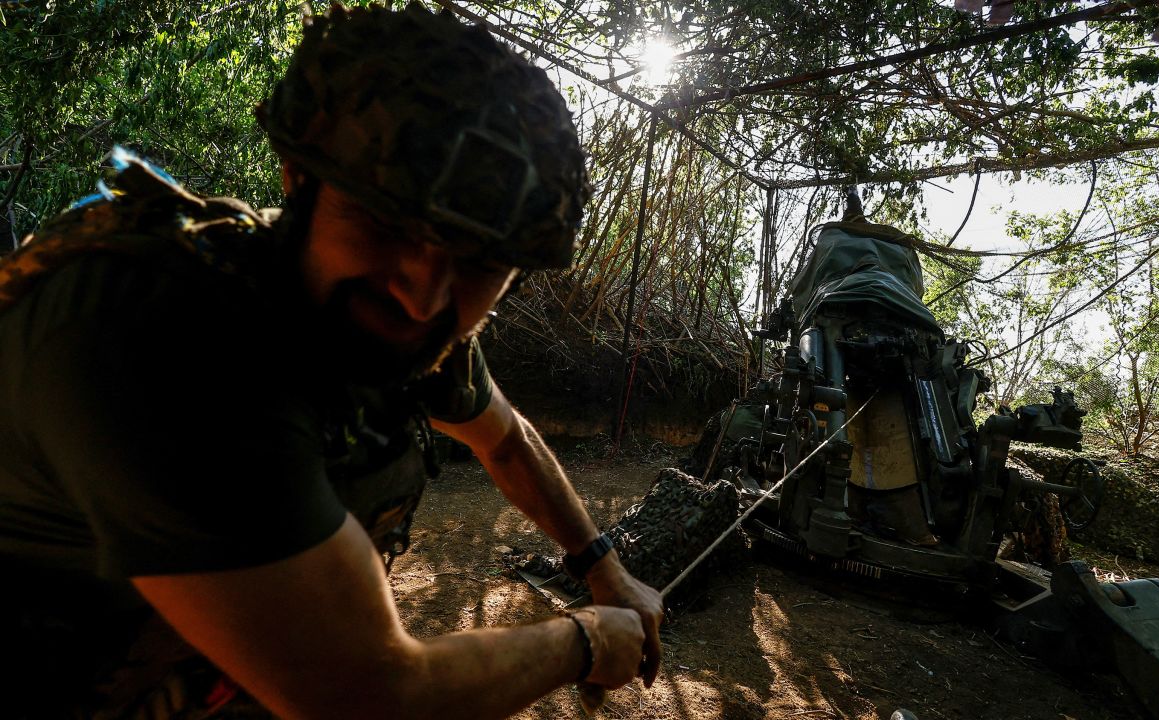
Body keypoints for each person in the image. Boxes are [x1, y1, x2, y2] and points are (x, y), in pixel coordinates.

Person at [0, 5, 663, 719]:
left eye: (477, 263)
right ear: (296, 182)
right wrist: (587, 641)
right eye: (383, 225)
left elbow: (506, 438)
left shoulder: (399, 330)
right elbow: (367, 695)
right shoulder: (154, 336)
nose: (420, 295)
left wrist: (601, 565)